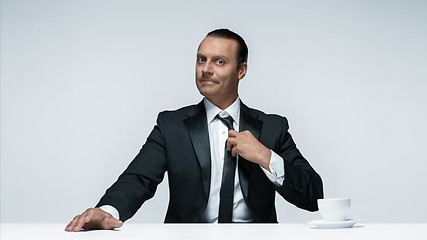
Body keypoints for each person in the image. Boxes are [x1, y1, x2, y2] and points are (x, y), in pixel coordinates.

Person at [65, 28, 323, 232]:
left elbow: (314, 196)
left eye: (219, 61)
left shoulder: (272, 127)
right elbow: (138, 178)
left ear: (241, 70)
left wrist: (266, 157)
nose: (206, 69)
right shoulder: (171, 125)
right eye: (202, 59)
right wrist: (108, 211)